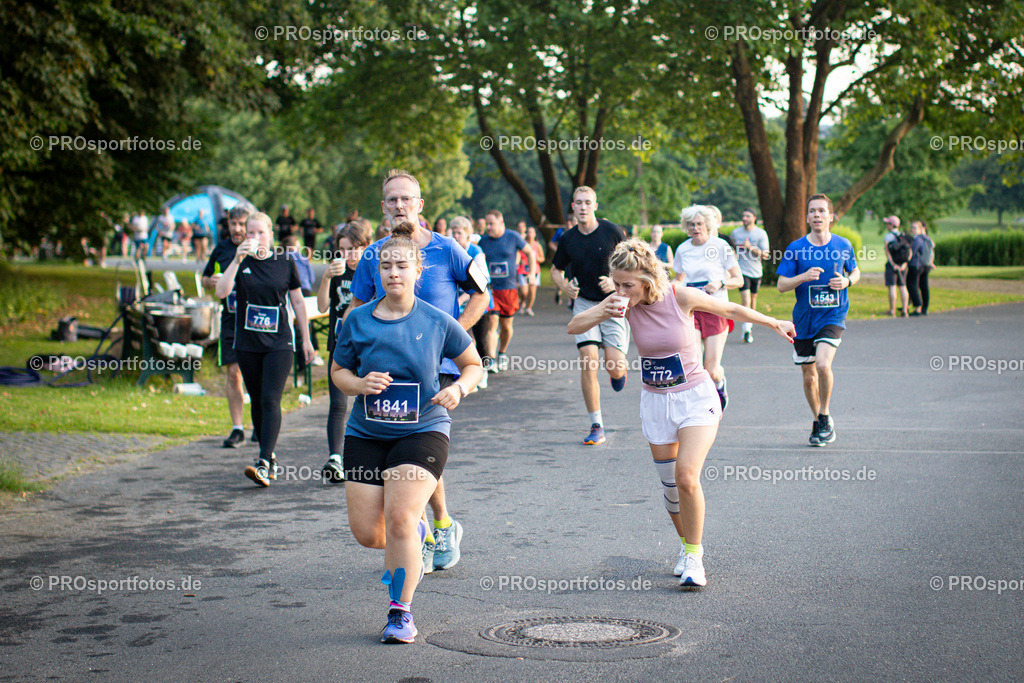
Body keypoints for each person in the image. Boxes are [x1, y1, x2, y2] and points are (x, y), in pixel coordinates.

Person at [568, 239, 794, 586]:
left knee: (686, 476)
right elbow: (574, 326)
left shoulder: (680, 296)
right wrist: (604, 310)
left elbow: (730, 310)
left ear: (648, 279)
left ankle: (694, 558)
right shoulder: (620, 303)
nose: (621, 291)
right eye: (617, 284)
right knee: (671, 488)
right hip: (656, 402)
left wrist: (772, 321)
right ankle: (687, 546)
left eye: (628, 285)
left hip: (695, 397)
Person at [332, 221, 483, 644]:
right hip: (366, 432)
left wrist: (458, 388)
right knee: (369, 534)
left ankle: (400, 613)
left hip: (423, 429)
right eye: (386, 266)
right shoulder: (357, 320)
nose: (393, 272)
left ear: (419, 271)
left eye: (402, 265)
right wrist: (359, 384)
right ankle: (416, 534)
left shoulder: (437, 320)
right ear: (377, 271)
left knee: (399, 517)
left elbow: (473, 364)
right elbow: (338, 371)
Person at [346, 169, 488, 573]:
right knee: (404, 448)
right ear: (383, 207)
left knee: (421, 443)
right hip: (387, 375)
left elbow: (482, 293)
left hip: (437, 369)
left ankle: (434, 526)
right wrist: (350, 358)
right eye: (392, 199)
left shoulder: (448, 248)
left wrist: (453, 335)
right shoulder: (374, 255)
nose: (399, 205)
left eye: (406, 198)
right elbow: (357, 305)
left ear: (420, 205)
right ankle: (425, 528)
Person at [215, 212, 315, 485]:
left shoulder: (285, 261)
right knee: (258, 400)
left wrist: (306, 339)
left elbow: (297, 301)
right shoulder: (239, 261)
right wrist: (236, 260)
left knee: (271, 399)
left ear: (271, 235)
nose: (256, 237)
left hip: (279, 343)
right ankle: (268, 456)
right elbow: (221, 292)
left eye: (261, 232)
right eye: (251, 232)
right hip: (247, 343)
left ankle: (264, 459)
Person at [777, 194, 861, 446]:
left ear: (830, 216)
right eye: (812, 211)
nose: (817, 215)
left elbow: (855, 271)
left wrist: (847, 281)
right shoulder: (795, 249)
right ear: (807, 217)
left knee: (823, 365)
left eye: (822, 211)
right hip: (804, 320)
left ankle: (824, 414)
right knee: (809, 376)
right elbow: (781, 285)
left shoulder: (843, 245)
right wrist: (802, 277)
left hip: (833, 315)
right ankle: (818, 421)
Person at [550, 186, 628, 446]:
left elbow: (632, 264)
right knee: (588, 359)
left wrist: (616, 283)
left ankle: (618, 373)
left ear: (595, 205)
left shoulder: (612, 232)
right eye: (578, 203)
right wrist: (564, 287)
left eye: (587, 202)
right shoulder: (568, 238)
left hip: (612, 302)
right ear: (573, 207)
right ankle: (597, 425)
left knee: (614, 367)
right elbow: (555, 270)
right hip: (584, 304)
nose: (583, 207)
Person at [671, 205, 742, 410]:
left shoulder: (720, 246)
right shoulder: (683, 249)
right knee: (693, 364)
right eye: (691, 224)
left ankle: (719, 385)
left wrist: (720, 283)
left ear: (708, 225)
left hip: (715, 309)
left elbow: (738, 279)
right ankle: (701, 405)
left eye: (699, 224)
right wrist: (670, 289)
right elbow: (678, 278)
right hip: (691, 310)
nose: (695, 228)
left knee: (712, 370)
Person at [318, 221, 373, 483]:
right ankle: (335, 458)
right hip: (339, 345)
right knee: (338, 404)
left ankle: (371, 458)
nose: (347, 255)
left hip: (367, 347)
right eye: (342, 249)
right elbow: (322, 307)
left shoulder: (372, 272)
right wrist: (326, 278)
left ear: (365, 247)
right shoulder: (337, 273)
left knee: (369, 401)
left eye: (353, 249)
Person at [202, 205, 255, 448]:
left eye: (242, 224)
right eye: (233, 224)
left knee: (255, 375)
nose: (237, 229)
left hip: (256, 322)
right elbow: (205, 279)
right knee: (233, 374)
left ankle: (260, 425)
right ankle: (237, 429)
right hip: (230, 321)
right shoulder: (222, 249)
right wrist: (211, 281)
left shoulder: (258, 249)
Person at [479, 211, 535, 371]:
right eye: (487, 224)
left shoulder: (513, 236)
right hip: (490, 290)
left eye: (491, 224)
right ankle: (491, 360)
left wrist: (531, 273)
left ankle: (502, 353)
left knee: (506, 326)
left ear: (501, 223)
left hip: (508, 289)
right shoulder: (483, 241)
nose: (488, 227)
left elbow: (530, 252)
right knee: (492, 323)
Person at [451, 216, 491, 391]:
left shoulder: (476, 251)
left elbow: (484, 280)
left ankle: (485, 371)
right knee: (465, 340)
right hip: (459, 305)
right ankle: (467, 375)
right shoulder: (450, 251)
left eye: (459, 233)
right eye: (453, 232)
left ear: (468, 234)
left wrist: (463, 298)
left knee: (482, 340)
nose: (456, 236)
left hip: (478, 302)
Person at [730, 208, 771, 343]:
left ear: (754, 218)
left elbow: (766, 255)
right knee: (746, 299)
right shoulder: (736, 233)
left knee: (753, 300)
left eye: (747, 216)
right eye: (743, 216)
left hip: (756, 271)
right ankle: (746, 328)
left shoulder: (761, 233)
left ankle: (749, 326)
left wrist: (750, 247)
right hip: (741, 270)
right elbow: (729, 248)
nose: (744, 218)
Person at [882, 215, 911, 317]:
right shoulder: (903, 236)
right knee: (903, 286)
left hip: (892, 265)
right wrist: (904, 264)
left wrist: (893, 264)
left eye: (888, 223)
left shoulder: (888, 236)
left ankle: (892, 310)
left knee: (892, 287)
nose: (886, 225)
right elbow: (909, 252)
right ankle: (905, 310)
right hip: (902, 265)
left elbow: (887, 252)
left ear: (891, 225)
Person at [907, 220, 935, 316]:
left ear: (920, 229)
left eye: (914, 228)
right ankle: (924, 307)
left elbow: (912, 253)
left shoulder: (917, 240)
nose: (912, 229)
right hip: (924, 265)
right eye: (912, 227)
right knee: (923, 286)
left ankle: (917, 307)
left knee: (912, 285)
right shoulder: (926, 239)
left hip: (916, 265)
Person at [523, 226, 544, 316]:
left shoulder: (537, 245)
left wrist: (537, 258)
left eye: (532, 232)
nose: (530, 234)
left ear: (535, 234)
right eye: (528, 232)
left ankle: (529, 308)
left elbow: (542, 259)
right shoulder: (523, 244)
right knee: (524, 291)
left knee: (532, 291)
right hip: (523, 270)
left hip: (535, 271)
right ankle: (522, 302)